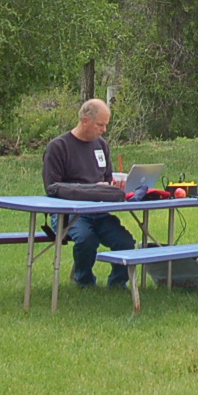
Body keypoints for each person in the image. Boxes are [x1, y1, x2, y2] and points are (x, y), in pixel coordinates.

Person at [42, 98, 135, 288]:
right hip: (69, 214)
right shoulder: (58, 147)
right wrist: (91, 190)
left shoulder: (101, 145)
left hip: (99, 212)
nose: (104, 130)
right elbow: (52, 188)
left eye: (106, 125)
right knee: (86, 239)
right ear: (85, 121)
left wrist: (108, 187)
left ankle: (118, 283)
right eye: (100, 125)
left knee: (125, 241)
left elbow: (108, 177)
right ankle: (84, 281)